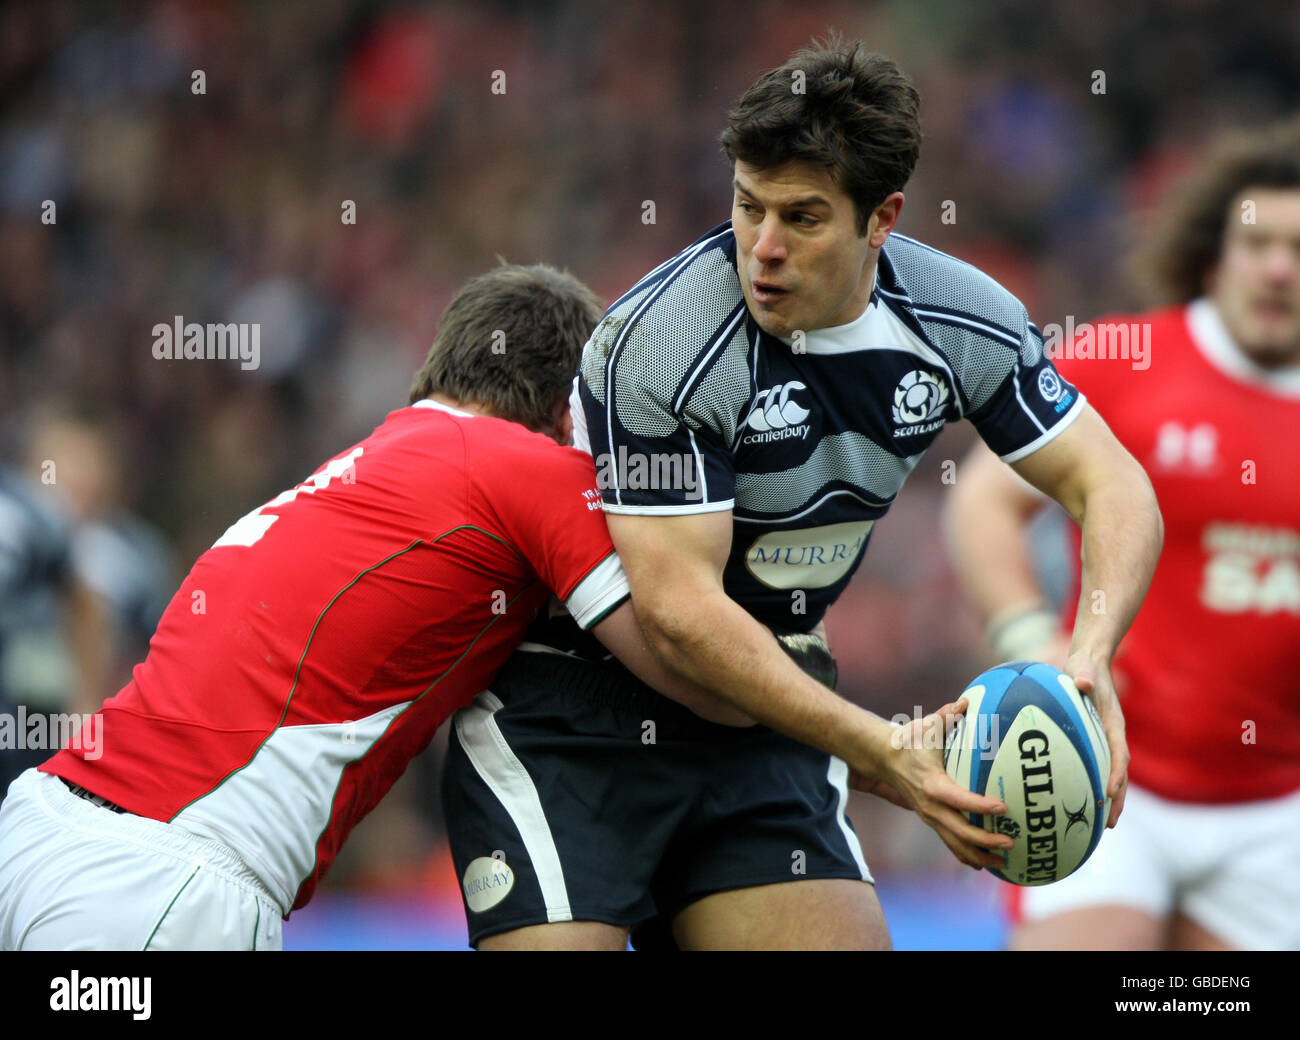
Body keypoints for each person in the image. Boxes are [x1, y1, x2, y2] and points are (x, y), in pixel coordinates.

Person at [440, 36, 1162, 951]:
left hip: (765, 708)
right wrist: (879, 748)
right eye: (749, 207)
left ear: (882, 219)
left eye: (804, 217)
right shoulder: (660, 343)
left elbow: (1116, 485)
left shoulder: (962, 319)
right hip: (575, 717)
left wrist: (1090, 658)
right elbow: (680, 616)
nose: (764, 248)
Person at [0, 263, 746, 951]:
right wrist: (851, 735)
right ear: (562, 412)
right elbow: (687, 654)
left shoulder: (355, 473)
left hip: (35, 826)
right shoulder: (524, 466)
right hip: (159, 881)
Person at [944, 119, 1300, 951]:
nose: (1281, 267)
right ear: (1214, 254)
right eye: (1260, 243)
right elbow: (982, 502)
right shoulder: (1126, 357)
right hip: (1098, 770)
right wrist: (1030, 634)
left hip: (1275, 803)